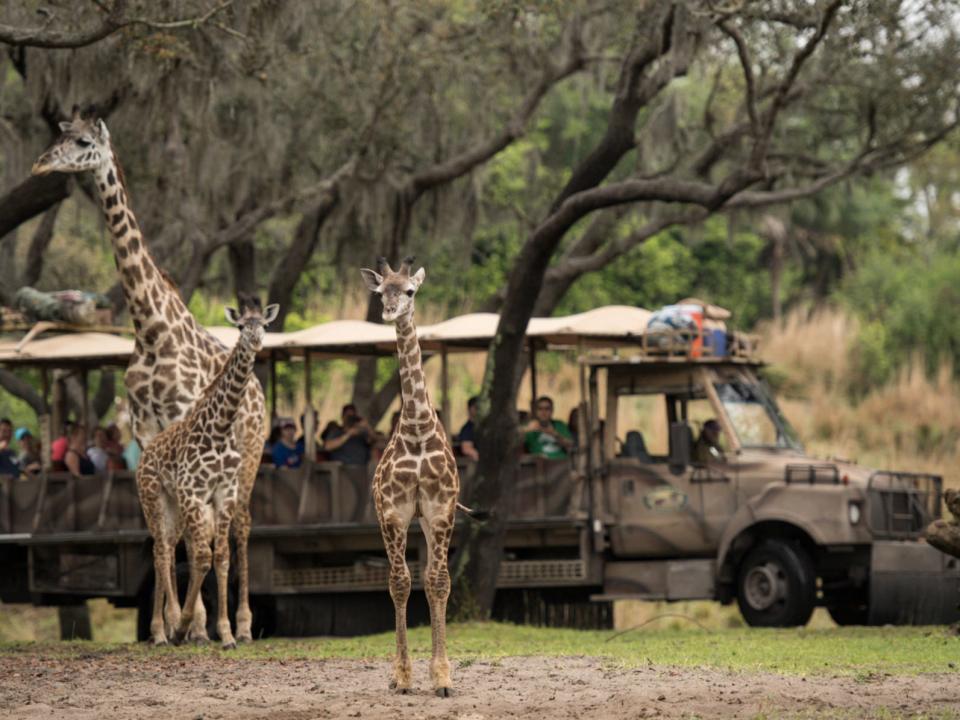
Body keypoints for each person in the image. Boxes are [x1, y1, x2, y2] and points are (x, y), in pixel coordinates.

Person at [458, 396, 479, 461]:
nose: (478, 410)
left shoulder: (483, 427)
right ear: (470, 409)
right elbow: (466, 449)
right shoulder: (467, 429)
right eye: (476, 407)